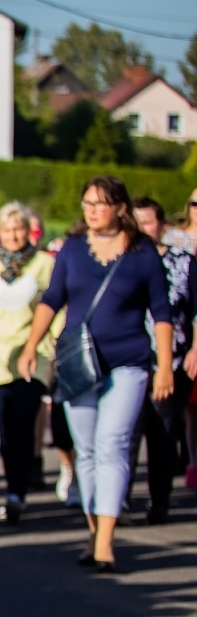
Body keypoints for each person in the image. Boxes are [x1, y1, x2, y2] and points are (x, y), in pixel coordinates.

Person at [18, 176, 173, 573]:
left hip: (128, 362)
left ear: (120, 208)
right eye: (87, 203)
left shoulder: (143, 254)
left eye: (100, 203)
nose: (92, 210)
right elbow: (53, 298)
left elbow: (161, 312)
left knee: (112, 444)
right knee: (86, 449)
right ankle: (93, 529)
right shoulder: (72, 250)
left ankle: (105, 541)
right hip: (79, 365)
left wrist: (164, 366)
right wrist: (31, 345)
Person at [0, 201, 56, 523]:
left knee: (23, 423)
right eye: (7, 229)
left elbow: (56, 305)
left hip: (34, 352)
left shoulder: (45, 263)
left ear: (28, 231)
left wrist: (53, 343)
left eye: (19, 229)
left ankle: (18, 490)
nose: (14, 235)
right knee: (5, 426)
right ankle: (11, 488)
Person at [129, 196, 195, 524]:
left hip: (172, 360)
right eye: (136, 222)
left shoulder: (183, 262)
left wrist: (195, 350)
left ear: (162, 225)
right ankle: (117, 500)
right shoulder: (122, 261)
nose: (142, 229)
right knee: (126, 432)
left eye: (148, 222)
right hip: (129, 358)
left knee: (162, 432)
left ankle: (159, 499)